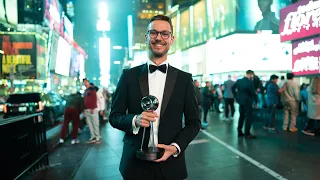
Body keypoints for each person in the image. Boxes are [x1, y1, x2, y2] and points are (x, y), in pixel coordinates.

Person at [109, 15, 201, 180]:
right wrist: (134, 120)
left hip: (171, 166)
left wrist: (175, 147)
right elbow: (114, 117)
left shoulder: (184, 79)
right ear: (146, 37)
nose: (159, 37)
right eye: (153, 33)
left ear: (172, 39)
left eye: (165, 33)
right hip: (134, 165)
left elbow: (194, 123)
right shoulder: (128, 76)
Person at [232, 70, 257, 139]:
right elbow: (252, 92)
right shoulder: (249, 82)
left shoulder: (239, 81)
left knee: (241, 116)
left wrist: (236, 96)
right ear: (250, 74)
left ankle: (239, 131)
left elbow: (232, 88)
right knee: (249, 117)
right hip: (247, 101)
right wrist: (256, 101)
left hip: (240, 101)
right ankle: (247, 133)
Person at [83, 79, 101, 144]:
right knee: (90, 124)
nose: (85, 83)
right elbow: (84, 100)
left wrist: (92, 108)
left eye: (86, 82)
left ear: (88, 82)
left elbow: (94, 99)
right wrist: (84, 110)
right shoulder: (86, 91)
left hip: (92, 109)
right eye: (84, 82)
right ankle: (93, 136)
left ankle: (97, 137)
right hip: (87, 109)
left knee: (95, 123)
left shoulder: (92, 89)